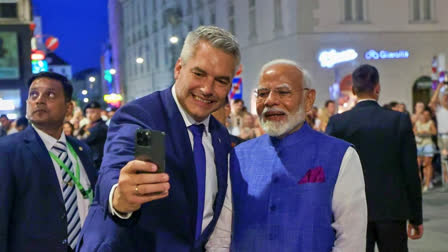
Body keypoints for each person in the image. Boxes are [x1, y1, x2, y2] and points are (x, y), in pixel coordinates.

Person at [78, 25, 240, 251]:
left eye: (221, 81)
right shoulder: (144, 117)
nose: (207, 88)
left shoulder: (220, 137)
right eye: (199, 73)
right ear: (178, 69)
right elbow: (116, 167)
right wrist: (120, 196)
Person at [222, 59, 367, 251]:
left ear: (308, 100)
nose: (270, 101)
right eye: (263, 93)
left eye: (283, 92)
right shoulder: (238, 157)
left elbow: (351, 240)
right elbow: (221, 234)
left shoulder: (340, 156)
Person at [326, 64, 423, 252]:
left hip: (351, 211)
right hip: (392, 210)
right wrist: (416, 217)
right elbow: (411, 171)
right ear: (377, 88)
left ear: (353, 90)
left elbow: (330, 171)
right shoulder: (398, 120)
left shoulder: (338, 123)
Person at [0, 72, 97, 252]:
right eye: (33, 95)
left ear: (69, 108)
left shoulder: (81, 150)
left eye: (50, 94)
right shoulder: (7, 151)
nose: (39, 100)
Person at [429, 82, 448, 184]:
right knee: (444, 159)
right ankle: (446, 181)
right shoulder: (439, 110)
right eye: (445, 97)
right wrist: (438, 89)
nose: (446, 99)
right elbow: (432, 102)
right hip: (443, 137)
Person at [414, 107, 437, 192]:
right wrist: (419, 133)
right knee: (418, 165)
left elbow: (434, 132)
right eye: (423, 115)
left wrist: (427, 132)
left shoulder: (430, 122)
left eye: (427, 115)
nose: (424, 116)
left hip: (428, 144)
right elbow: (414, 132)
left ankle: (427, 184)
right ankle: (419, 185)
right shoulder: (417, 123)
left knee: (427, 164)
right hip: (419, 145)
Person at [81, 101, 108, 170]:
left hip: (97, 163)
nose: (89, 115)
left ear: (99, 112)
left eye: (92, 112)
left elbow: (84, 140)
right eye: (87, 112)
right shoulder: (92, 126)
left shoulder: (99, 127)